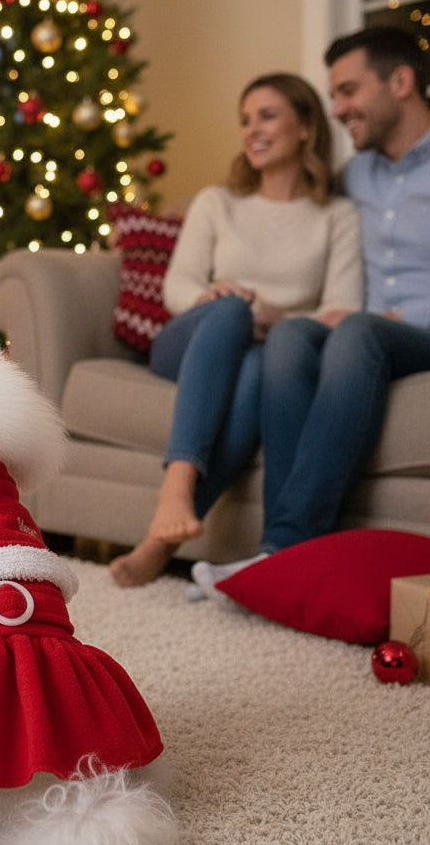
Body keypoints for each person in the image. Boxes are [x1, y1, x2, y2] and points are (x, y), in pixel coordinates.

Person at [192, 26, 430, 596]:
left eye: (348, 91)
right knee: (293, 336)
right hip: (368, 336)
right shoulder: (354, 180)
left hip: (414, 333)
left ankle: (285, 549)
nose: (338, 108)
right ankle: (276, 553)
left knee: (355, 332)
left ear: (400, 82)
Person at [109, 73, 363, 587]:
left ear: (307, 126)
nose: (252, 130)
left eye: (267, 115)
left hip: (263, 352)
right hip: (194, 338)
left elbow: (343, 309)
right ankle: (176, 486)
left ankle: (160, 542)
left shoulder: (336, 215)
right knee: (231, 314)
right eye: (245, 120)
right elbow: (176, 287)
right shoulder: (217, 202)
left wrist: (277, 318)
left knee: (251, 368)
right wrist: (220, 298)